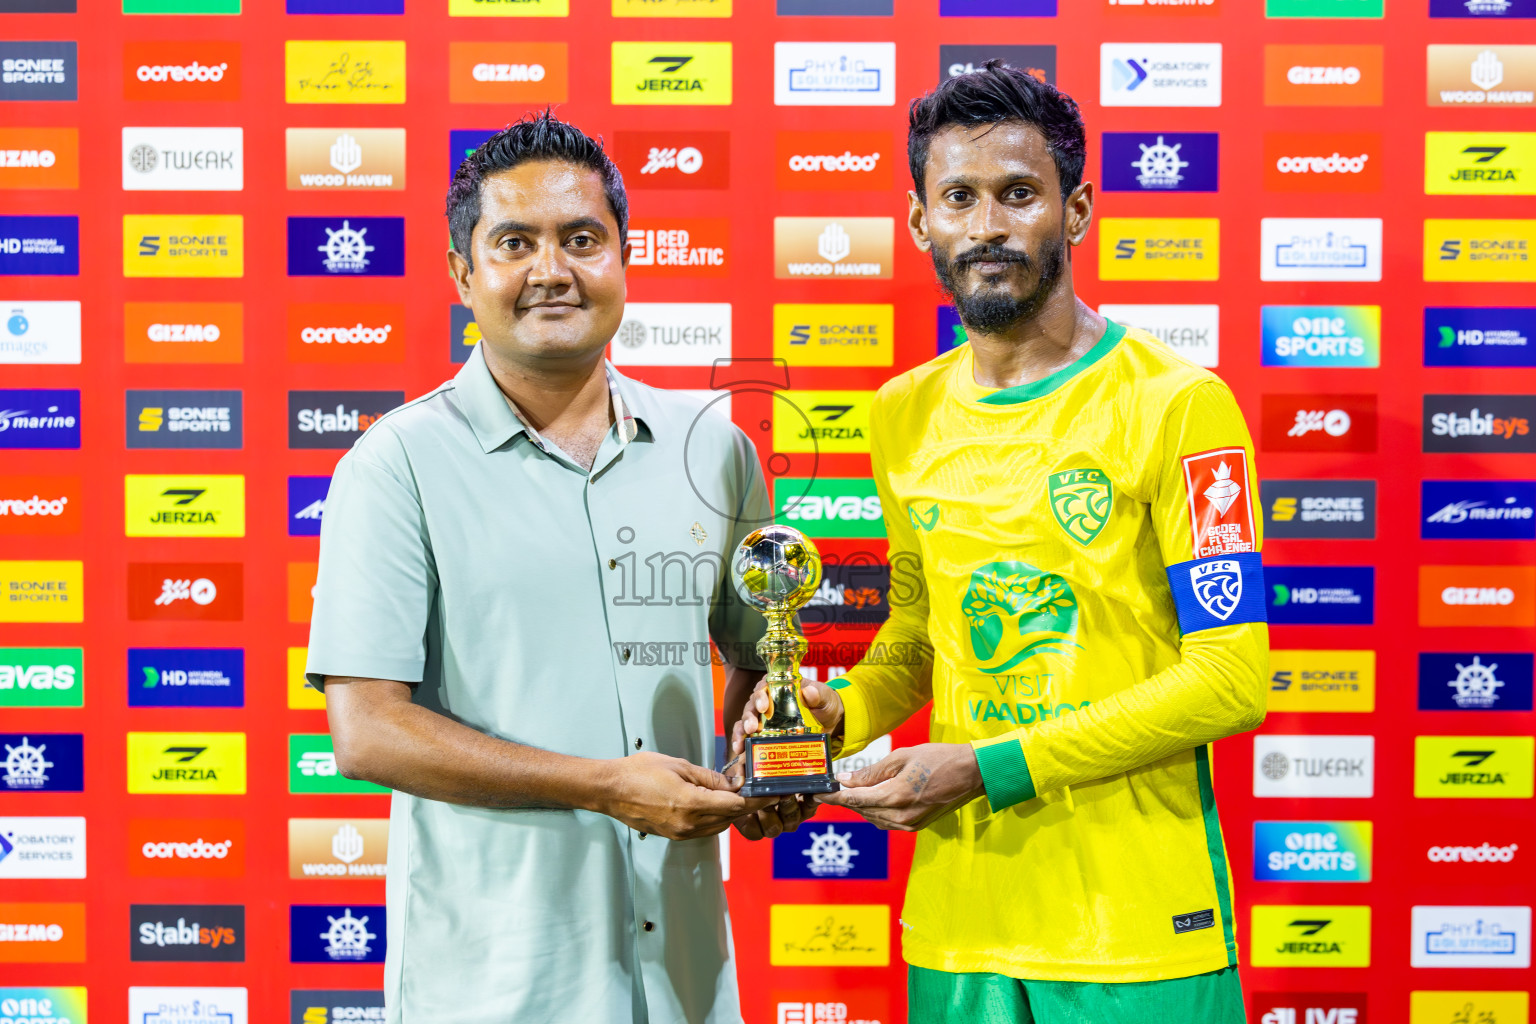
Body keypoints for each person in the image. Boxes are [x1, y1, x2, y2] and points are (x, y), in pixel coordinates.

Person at [734, 62, 1269, 1022]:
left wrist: (987, 767)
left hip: (1136, 935)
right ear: (918, 222)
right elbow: (916, 636)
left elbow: (1232, 677)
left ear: (1078, 211)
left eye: (1019, 194)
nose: (987, 225)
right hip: (959, 926)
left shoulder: (1182, 406)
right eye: (960, 198)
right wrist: (831, 718)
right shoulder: (902, 412)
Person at [308, 111, 798, 1024]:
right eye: (514, 243)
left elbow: (761, 659)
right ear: (463, 274)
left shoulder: (712, 444)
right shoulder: (396, 464)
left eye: (582, 239)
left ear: (623, 258)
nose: (552, 271)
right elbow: (368, 731)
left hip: (687, 974)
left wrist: (760, 762)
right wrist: (607, 786)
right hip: (499, 981)